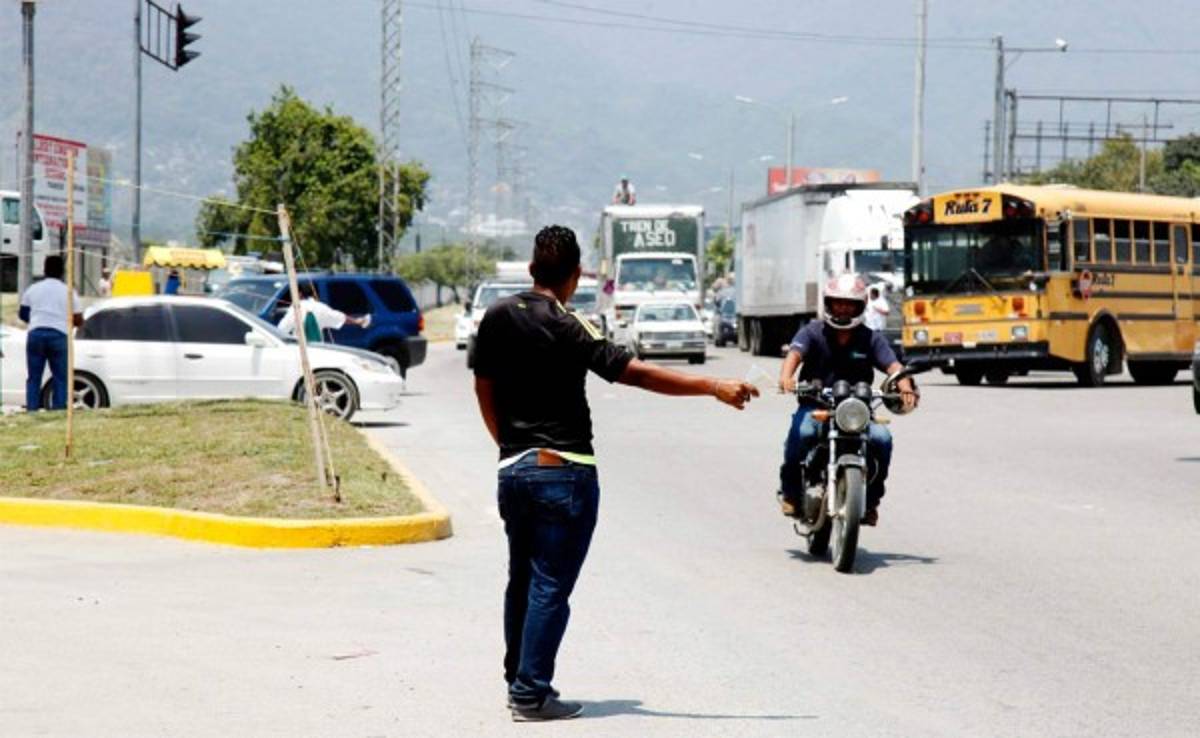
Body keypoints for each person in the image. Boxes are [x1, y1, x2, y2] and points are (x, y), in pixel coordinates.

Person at [473, 225, 757, 722]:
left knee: (522, 578)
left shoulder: (496, 317)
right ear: (575, 275)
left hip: (514, 471)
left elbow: (483, 386)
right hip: (565, 472)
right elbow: (636, 373)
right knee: (549, 585)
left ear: (532, 269)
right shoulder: (571, 326)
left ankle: (520, 678)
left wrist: (508, 447)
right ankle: (531, 693)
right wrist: (712, 385)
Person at [777, 274, 918, 526]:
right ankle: (790, 493)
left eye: (849, 303)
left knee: (882, 440)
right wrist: (787, 377)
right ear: (829, 304)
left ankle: (871, 501)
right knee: (802, 433)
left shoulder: (871, 338)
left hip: (857, 410)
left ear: (860, 306)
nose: (843, 307)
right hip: (816, 404)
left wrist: (904, 385)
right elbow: (795, 353)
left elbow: (893, 365)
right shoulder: (812, 331)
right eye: (838, 302)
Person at [19, 255, 83, 411]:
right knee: (61, 378)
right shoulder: (68, 291)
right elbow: (78, 319)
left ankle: (32, 410)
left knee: (34, 377)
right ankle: (58, 410)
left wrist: (36, 320)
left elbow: (22, 313)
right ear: (62, 271)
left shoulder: (33, 289)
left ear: (44, 270)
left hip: (36, 333)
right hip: (59, 334)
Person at [276, 282, 370, 343]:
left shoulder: (295, 309)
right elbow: (341, 318)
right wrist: (358, 321)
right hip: (318, 350)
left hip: (300, 352)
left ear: (299, 294)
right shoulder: (320, 307)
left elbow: (281, 329)